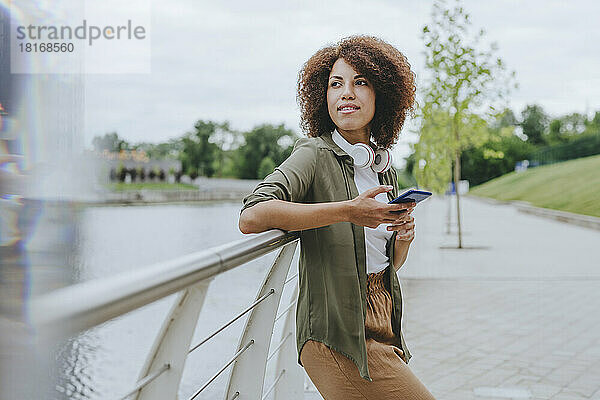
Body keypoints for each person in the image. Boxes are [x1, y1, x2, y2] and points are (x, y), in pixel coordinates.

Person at [239, 35, 435, 399]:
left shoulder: (380, 166)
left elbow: (388, 262)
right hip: (335, 333)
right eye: (335, 83)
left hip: (381, 317)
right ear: (322, 96)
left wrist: (403, 238)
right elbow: (252, 215)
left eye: (360, 82)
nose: (346, 93)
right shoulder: (313, 155)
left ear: (383, 95)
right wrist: (348, 211)